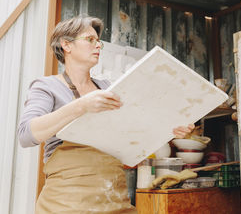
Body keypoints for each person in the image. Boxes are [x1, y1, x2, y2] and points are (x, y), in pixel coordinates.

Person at [18, 16, 195, 213]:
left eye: (98, 41)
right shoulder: (47, 86)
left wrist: (168, 130)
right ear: (66, 45)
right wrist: (81, 106)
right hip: (67, 202)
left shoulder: (108, 88)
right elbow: (26, 135)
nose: (98, 46)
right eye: (89, 40)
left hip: (114, 199)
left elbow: (131, 136)